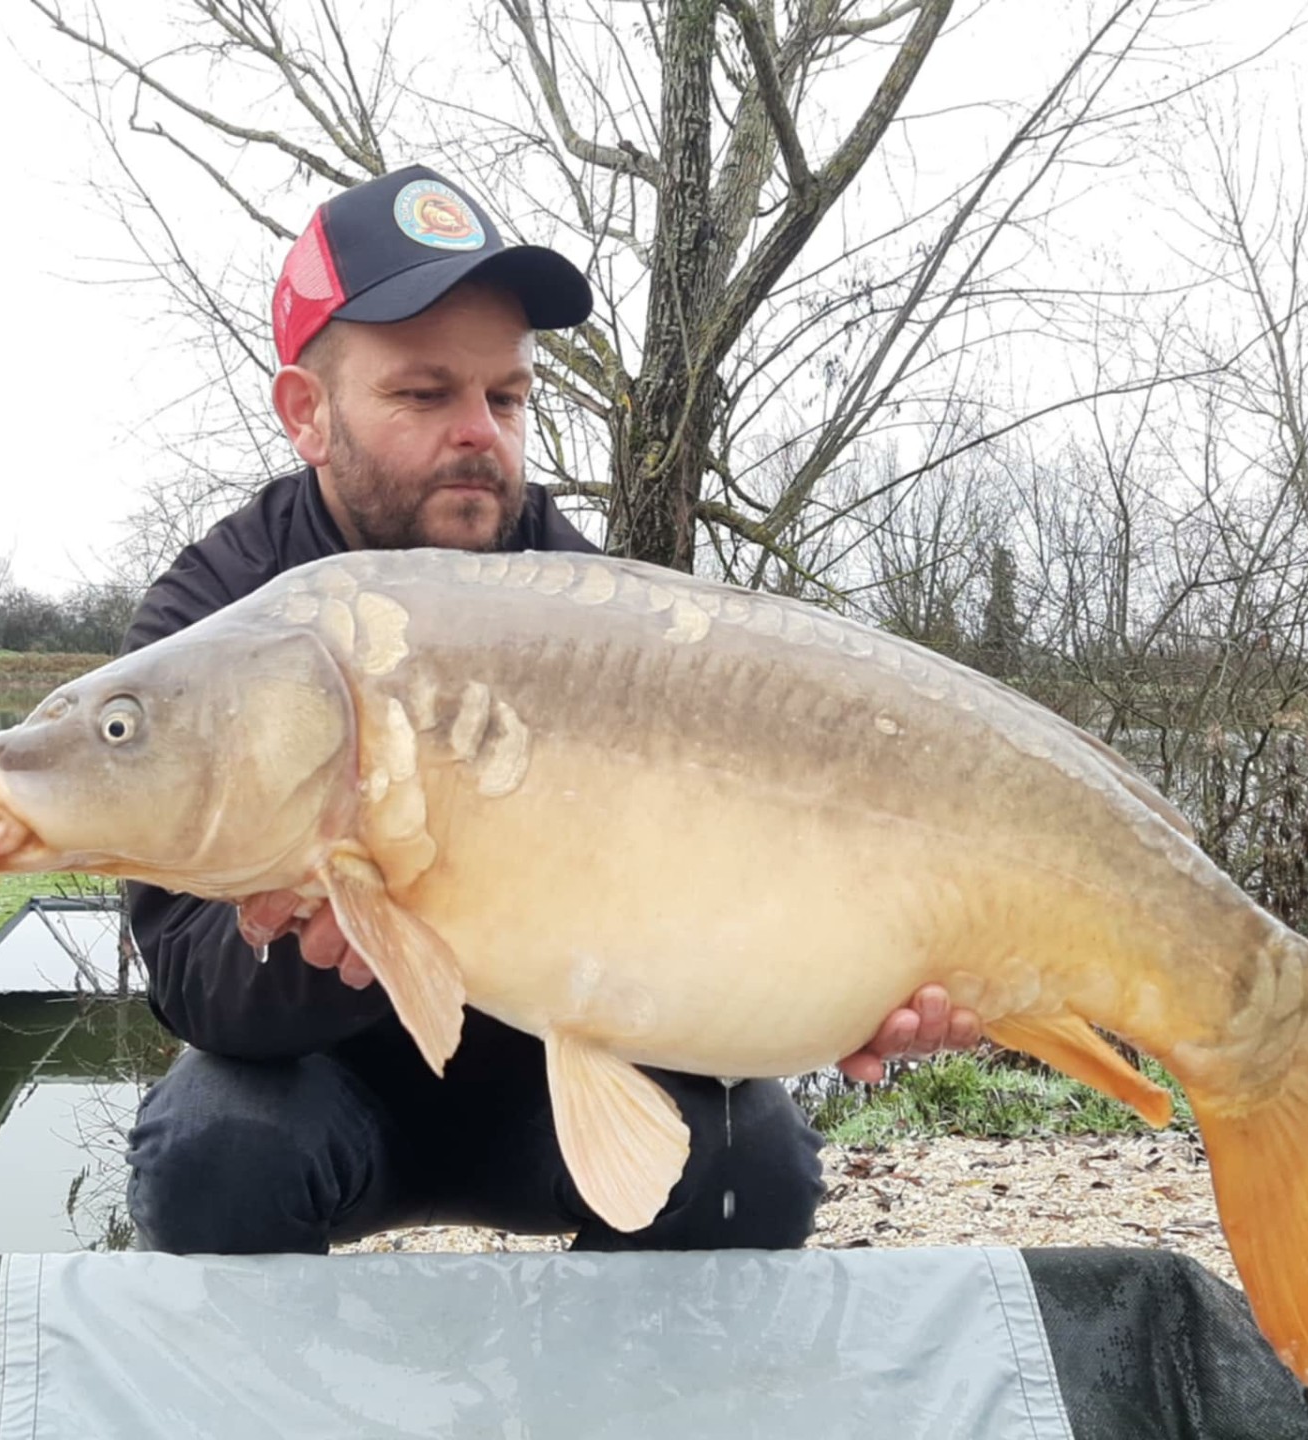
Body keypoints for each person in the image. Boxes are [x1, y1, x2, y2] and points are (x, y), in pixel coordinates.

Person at [118, 164, 983, 1257]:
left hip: (554, 1090)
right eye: (424, 395)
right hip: (328, 1102)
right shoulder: (217, 617)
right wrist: (340, 946)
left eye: (508, 397)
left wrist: (858, 981)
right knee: (213, 1142)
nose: (479, 432)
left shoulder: (590, 618)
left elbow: (702, 915)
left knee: (750, 1153)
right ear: (308, 411)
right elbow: (192, 976)